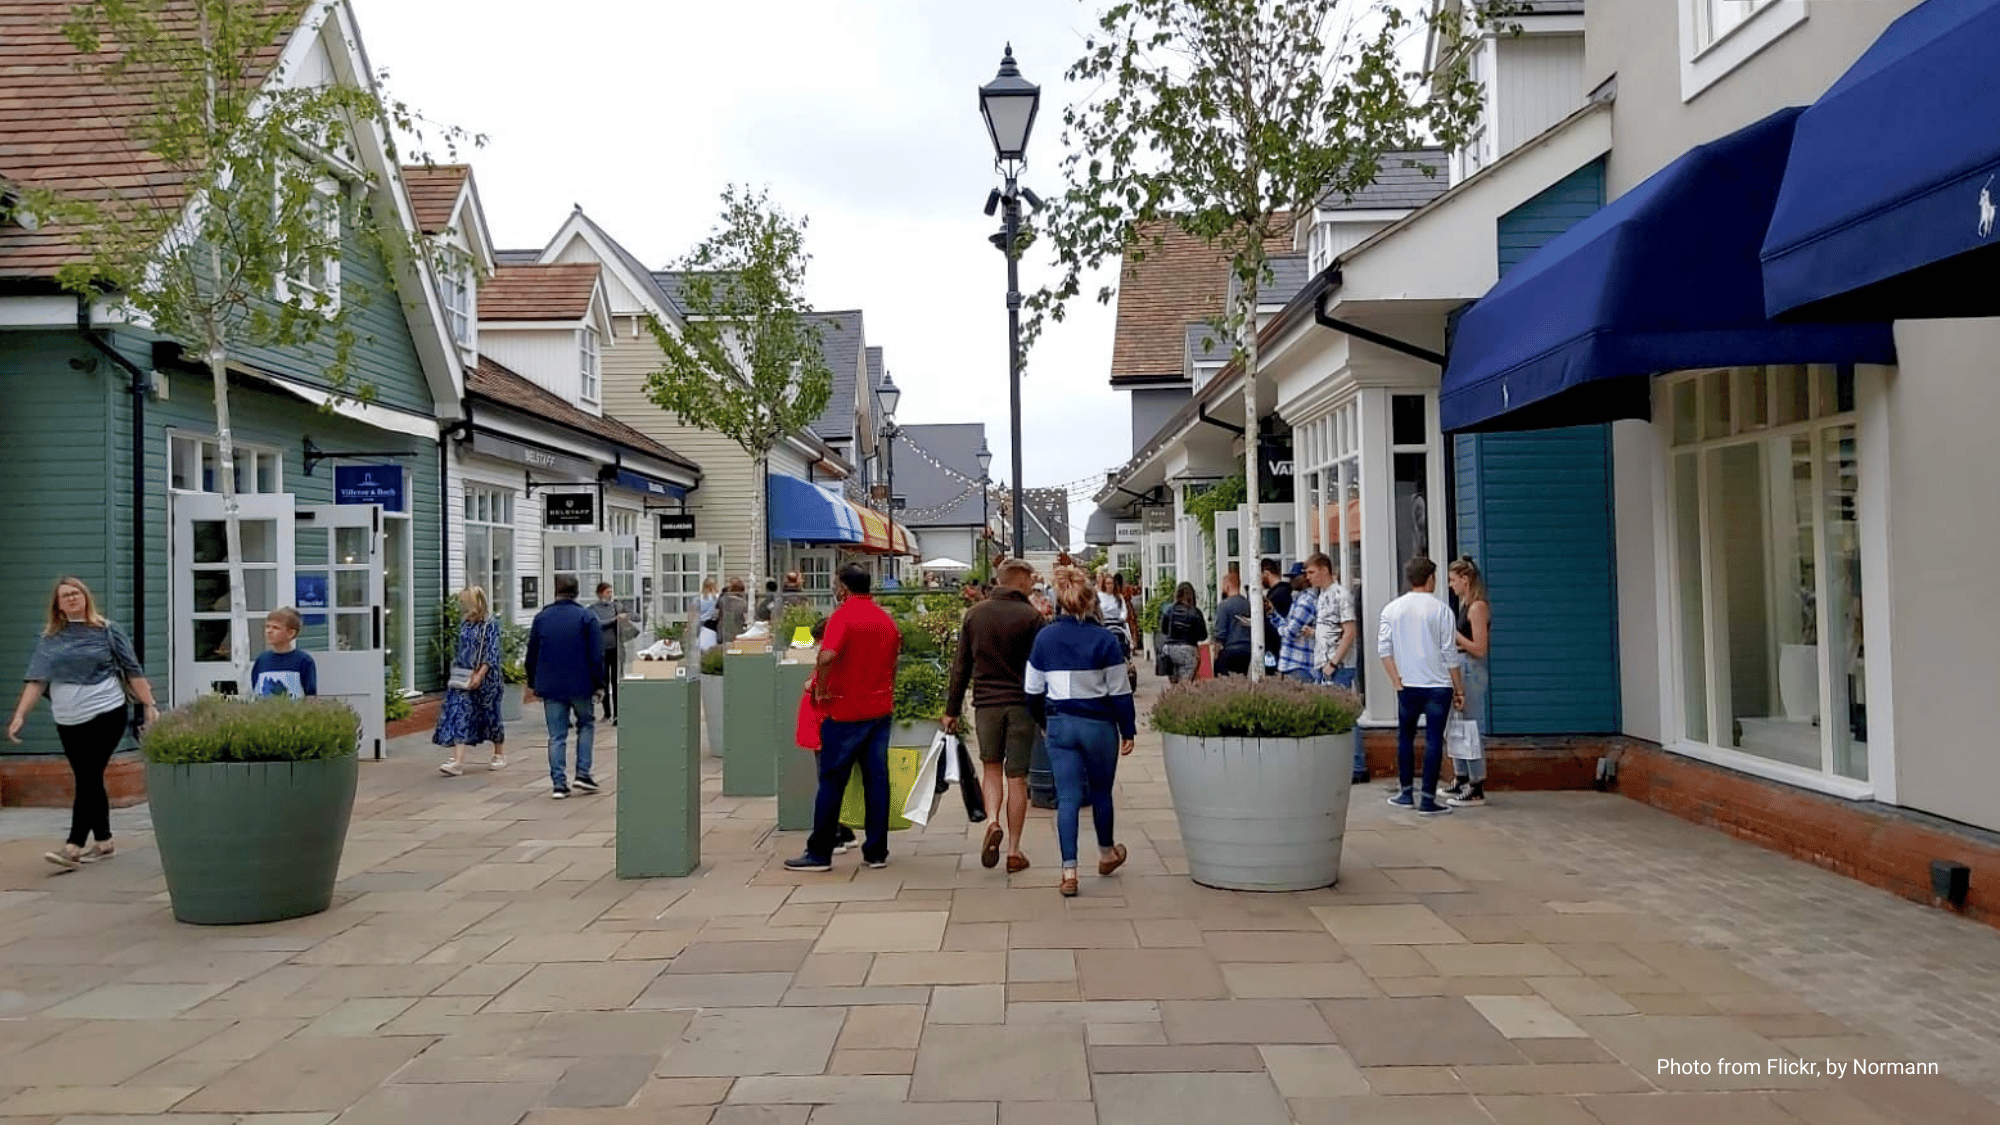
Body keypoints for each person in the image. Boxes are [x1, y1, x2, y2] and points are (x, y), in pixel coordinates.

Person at [8, 577, 158, 870]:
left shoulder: (107, 630)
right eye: (66, 596)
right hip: (67, 717)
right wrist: (20, 715)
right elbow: (37, 680)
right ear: (58, 606)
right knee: (89, 777)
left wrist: (149, 704)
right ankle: (104, 842)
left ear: (86, 597)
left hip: (106, 710)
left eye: (76, 593)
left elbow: (132, 670)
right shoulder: (49, 639)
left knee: (89, 776)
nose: (72, 598)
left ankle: (73, 846)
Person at [1028, 567, 1135, 898]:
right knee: (1101, 793)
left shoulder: (1044, 638)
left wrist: (1044, 724)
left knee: (1068, 798)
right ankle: (1106, 853)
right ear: (1091, 602)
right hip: (1099, 726)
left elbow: (1032, 691)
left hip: (1060, 723)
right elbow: (1119, 690)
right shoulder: (1104, 639)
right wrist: (1127, 728)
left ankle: (1069, 871)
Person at [786, 564, 900, 872]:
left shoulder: (843, 616)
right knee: (877, 780)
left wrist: (822, 688)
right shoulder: (885, 619)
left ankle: (820, 850)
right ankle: (876, 851)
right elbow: (894, 660)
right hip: (879, 708)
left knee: (832, 780)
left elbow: (827, 655)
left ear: (843, 588)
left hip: (845, 709)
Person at [944, 557, 1044, 875]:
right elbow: (1040, 668)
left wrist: (951, 710)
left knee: (990, 768)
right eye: (1030, 579)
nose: (1033, 584)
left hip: (986, 704)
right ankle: (1014, 850)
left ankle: (992, 821)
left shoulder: (975, 614)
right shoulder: (1032, 617)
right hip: (1021, 704)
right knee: (1017, 777)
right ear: (1019, 579)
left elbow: (961, 667)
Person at [1378, 557, 1465, 816]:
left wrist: (1396, 679)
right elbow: (1450, 654)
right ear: (1430, 579)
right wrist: (1459, 689)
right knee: (1434, 739)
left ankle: (1405, 793)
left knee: (1405, 736)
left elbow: (1384, 649)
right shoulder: (1441, 610)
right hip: (1438, 685)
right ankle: (1427, 799)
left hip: (1407, 684)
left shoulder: (1392, 609)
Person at [524, 574, 604, 799]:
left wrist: (533, 682)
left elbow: (532, 654)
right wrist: (599, 684)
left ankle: (559, 784)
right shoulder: (587, 617)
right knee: (586, 724)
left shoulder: (542, 617)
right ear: (576, 592)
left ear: (555, 591)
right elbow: (596, 656)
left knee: (556, 735)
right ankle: (583, 773)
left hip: (551, 684)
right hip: (581, 683)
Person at [1302, 554, 1364, 784]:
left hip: (1337, 665)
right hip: (1324, 661)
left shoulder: (1340, 596)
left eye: (1311, 572)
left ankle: (1357, 764)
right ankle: (1339, 763)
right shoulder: (1322, 596)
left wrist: (1334, 662)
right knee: (1330, 712)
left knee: (1344, 714)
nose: (1308, 577)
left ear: (1324, 570)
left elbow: (1349, 631)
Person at [436, 586, 505, 776]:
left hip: (487, 679)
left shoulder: (490, 624)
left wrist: (480, 674)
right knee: (460, 713)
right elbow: (461, 649)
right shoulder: (465, 623)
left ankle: (498, 753)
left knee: (491, 716)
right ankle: (457, 761)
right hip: (464, 675)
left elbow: (491, 652)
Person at [1442, 557, 1491, 807]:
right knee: (1456, 725)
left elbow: (1480, 648)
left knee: (1469, 726)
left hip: (1471, 669)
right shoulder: (1465, 604)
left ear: (1465, 579)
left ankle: (1476, 783)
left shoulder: (1477, 608)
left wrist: (1454, 634)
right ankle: (1461, 777)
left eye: (1453, 580)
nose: (1450, 585)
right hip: (1460, 667)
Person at [590, 582, 638, 724]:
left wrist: (626, 615)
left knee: (616, 681)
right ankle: (607, 712)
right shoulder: (593, 609)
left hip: (617, 648)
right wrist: (614, 620)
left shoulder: (616, 606)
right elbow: (598, 624)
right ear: (600, 594)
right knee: (603, 681)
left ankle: (617, 713)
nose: (610, 595)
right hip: (602, 649)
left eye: (611, 592)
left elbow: (636, 616)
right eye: (607, 592)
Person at [250, 607, 317, 698]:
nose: (269, 631)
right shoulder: (262, 660)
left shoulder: (303, 660)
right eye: (267, 626)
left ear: (291, 633)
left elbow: (310, 696)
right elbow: (256, 692)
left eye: (276, 628)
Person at [1270, 561, 1320, 683]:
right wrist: (1272, 613)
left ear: (1304, 578)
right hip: (1292, 664)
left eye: (1294, 577)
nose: (1290, 581)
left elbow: (1290, 632)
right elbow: (1288, 624)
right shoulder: (1299, 599)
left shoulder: (1306, 602)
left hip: (1300, 665)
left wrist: (1282, 629)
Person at [1157, 582, 1207, 683]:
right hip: (1188, 649)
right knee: (1185, 685)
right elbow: (1203, 635)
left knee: (1174, 684)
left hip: (1170, 650)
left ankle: (1172, 697)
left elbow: (1163, 630)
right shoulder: (1195, 612)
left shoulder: (1169, 611)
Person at [1211, 572, 1252, 677]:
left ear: (1227, 585)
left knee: (1224, 678)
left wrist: (1215, 651)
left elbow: (1221, 632)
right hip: (1247, 650)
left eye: (1223, 585)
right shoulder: (1248, 604)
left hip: (1230, 649)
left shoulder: (1224, 605)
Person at [1259, 558, 1292, 671]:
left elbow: (1274, 621)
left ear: (1266, 573)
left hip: (1274, 645)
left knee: (1271, 672)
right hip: (1275, 644)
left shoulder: (1278, 594)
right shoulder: (1282, 591)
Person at [715, 579, 749, 645]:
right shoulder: (743, 603)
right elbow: (746, 619)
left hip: (724, 631)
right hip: (738, 631)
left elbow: (716, 615)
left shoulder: (722, 600)